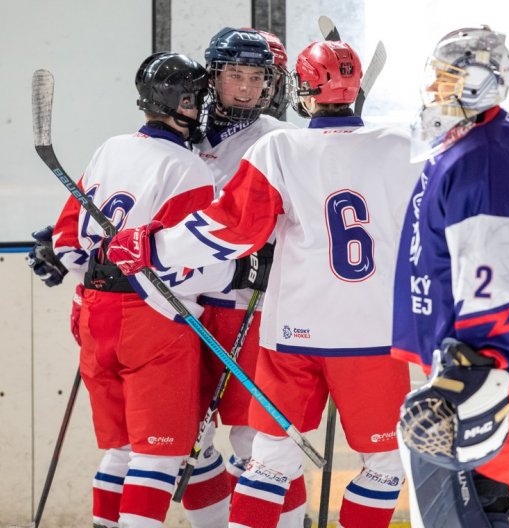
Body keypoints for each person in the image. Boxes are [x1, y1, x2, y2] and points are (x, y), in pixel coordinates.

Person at [106, 40, 423, 528]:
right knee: (383, 467)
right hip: (372, 336)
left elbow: (230, 227)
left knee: (269, 459)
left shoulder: (279, 146)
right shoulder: (403, 145)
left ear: (300, 90)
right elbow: (457, 204)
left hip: (290, 336)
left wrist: (153, 247)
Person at [42, 51, 267, 528]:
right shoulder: (188, 168)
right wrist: (241, 272)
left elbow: (66, 242)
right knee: (159, 457)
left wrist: (97, 284)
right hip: (153, 326)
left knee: (120, 451)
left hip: (92, 315)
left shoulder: (110, 148)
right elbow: (200, 272)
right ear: (184, 101)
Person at [391, 26, 509, 527]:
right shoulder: (474, 139)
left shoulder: (484, 157)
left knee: (478, 499)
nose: (436, 91)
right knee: (473, 493)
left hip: (497, 358)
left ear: (482, 84)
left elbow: (496, 270)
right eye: (436, 78)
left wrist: (479, 368)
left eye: (450, 79)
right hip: (477, 351)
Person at [192, 27, 307, 526]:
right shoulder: (182, 132)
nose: (244, 87)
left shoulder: (280, 139)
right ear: (213, 76)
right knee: (187, 440)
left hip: (248, 307)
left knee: (254, 437)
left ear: (270, 84)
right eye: (234, 74)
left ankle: (291, 521)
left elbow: (306, 219)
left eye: (256, 77)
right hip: (186, 309)